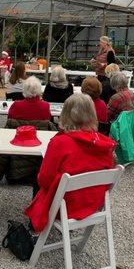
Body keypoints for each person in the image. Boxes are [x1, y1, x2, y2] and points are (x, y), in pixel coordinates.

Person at [25, 93, 116, 232]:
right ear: (92, 114)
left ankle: (34, 225)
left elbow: (44, 181)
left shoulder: (60, 142)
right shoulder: (104, 144)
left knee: (37, 175)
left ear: (66, 113)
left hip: (65, 207)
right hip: (92, 203)